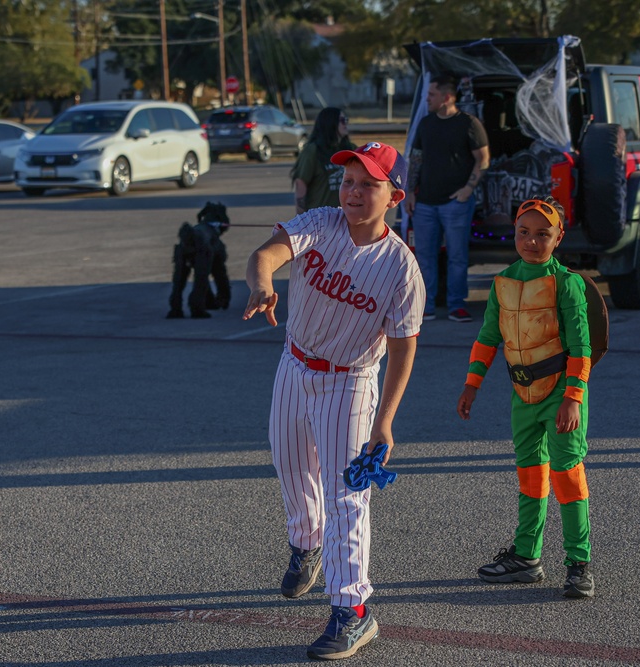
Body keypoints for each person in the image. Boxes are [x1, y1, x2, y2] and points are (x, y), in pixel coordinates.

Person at [243, 142, 425, 659]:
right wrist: (261, 286)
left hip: (350, 383)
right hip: (294, 365)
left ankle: (353, 610)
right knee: (291, 466)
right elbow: (265, 256)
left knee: (347, 493)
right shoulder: (320, 222)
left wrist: (384, 422)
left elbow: (403, 347)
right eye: (349, 180)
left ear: (394, 195)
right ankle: (307, 544)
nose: (354, 191)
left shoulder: (400, 268)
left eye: (369, 183)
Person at [456, 196, 595, 599]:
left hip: (561, 395)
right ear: (514, 232)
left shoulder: (567, 283)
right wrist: (471, 385)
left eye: (542, 234)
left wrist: (573, 398)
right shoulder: (502, 282)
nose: (531, 241)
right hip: (522, 394)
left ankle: (579, 563)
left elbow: (581, 347)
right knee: (530, 475)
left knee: (567, 475)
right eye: (524, 232)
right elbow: (487, 338)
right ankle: (527, 558)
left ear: (558, 238)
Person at [405, 73, 489, 323]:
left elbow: (483, 159)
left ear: (447, 97)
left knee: (456, 256)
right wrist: (410, 192)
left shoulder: (469, 123)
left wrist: (467, 190)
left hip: (456, 204)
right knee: (425, 257)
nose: (426, 99)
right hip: (425, 203)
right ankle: (426, 305)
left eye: (431, 95)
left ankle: (456, 305)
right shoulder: (426, 123)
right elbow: (416, 159)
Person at [290, 107, 356, 214]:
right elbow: (300, 183)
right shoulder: (313, 151)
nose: (346, 124)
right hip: (319, 219)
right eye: (342, 120)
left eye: (346, 120)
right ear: (330, 123)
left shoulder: (351, 149)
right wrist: (302, 218)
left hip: (345, 218)